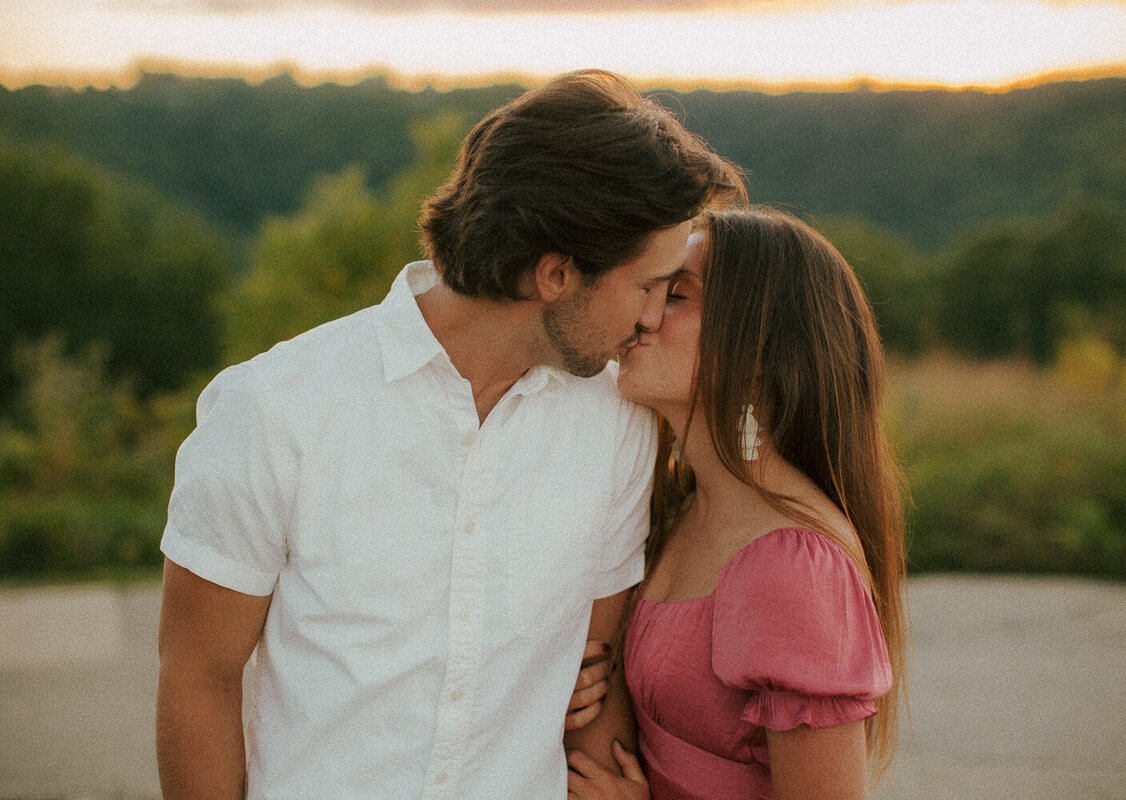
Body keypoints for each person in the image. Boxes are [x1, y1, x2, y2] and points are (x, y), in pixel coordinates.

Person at [155, 69, 743, 800]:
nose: (654, 317)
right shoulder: (274, 409)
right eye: (648, 285)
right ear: (557, 273)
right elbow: (198, 676)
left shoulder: (616, 420)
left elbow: (595, 669)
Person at [565, 206, 908, 799]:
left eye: (676, 296)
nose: (640, 317)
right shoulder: (674, 514)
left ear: (755, 349)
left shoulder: (793, 566)